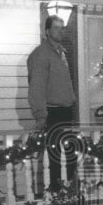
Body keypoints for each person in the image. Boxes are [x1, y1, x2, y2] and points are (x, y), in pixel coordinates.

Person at [27, 15, 77, 191]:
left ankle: (68, 188)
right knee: (55, 154)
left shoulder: (61, 53)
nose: (60, 31)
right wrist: (40, 114)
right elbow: (37, 86)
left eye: (62, 28)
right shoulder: (41, 54)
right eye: (56, 28)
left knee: (70, 152)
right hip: (52, 111)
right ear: (47, 31)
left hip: (66, 110)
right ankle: (55, 192)